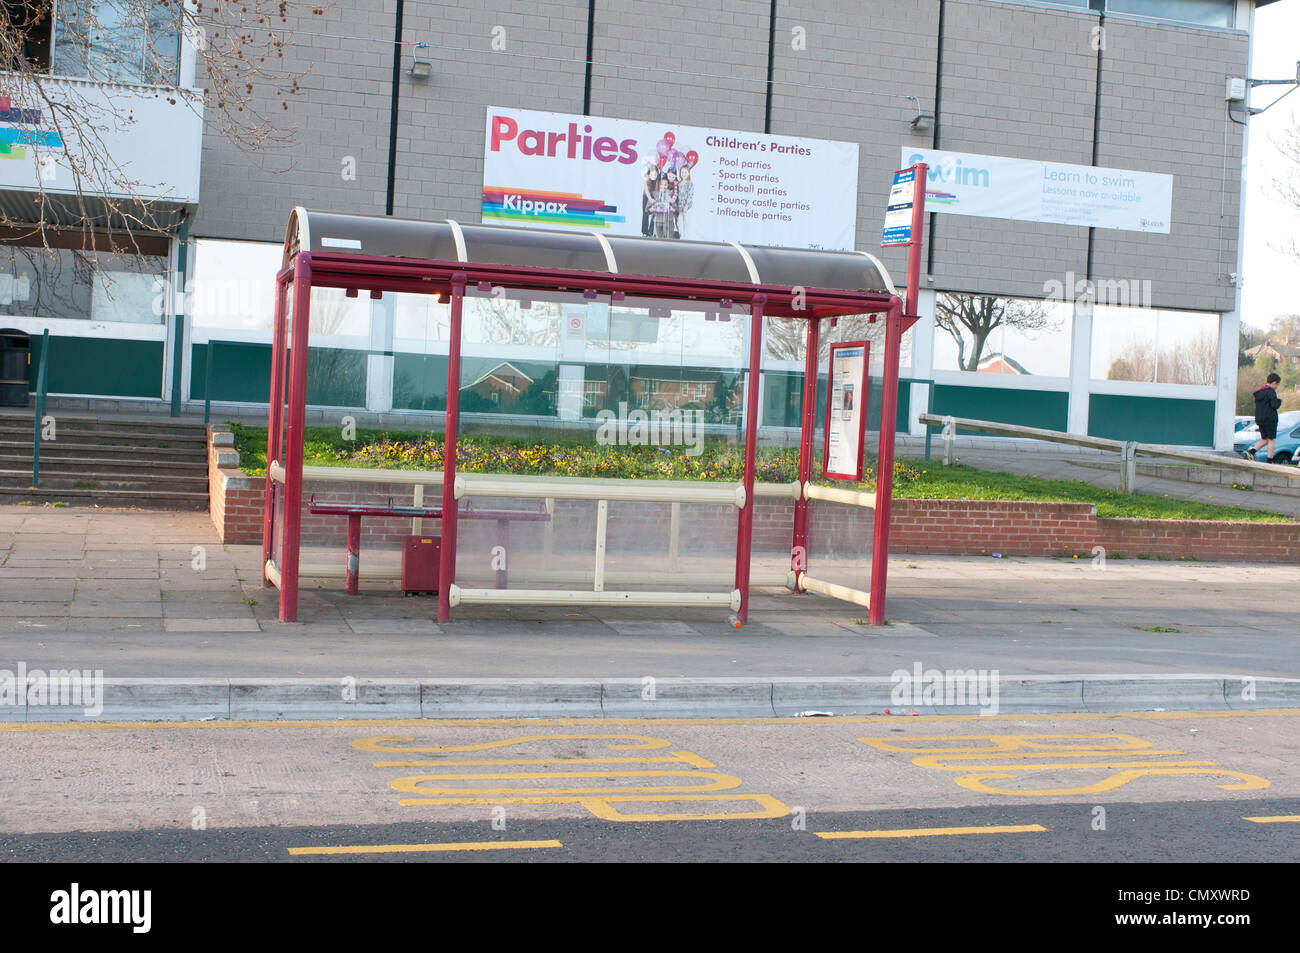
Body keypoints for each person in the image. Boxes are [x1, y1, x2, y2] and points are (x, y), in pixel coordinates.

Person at [1243, 373, 1282, 462]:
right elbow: (1274, 405)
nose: (1277, 387)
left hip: (1260, 419)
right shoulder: (1271, 392)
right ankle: (1269, 460)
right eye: (1277, 385)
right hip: (1270, 419)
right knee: (1271, 439)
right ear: (1275, 382)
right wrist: (1279, 401)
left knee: (1265, 439)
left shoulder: (1259, 392)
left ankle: (1251, 452)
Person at [676, 164, 694, 238]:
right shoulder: (679, 183)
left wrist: (686, 206)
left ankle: (686, 237)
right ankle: (681, 236)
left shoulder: (690, 183)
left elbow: (690, 195)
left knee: (686, 222)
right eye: (682, 172)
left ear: (688, 173)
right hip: (679, 206)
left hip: (687, 207)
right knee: (679, 222)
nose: (683, 174)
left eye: (685, 172)